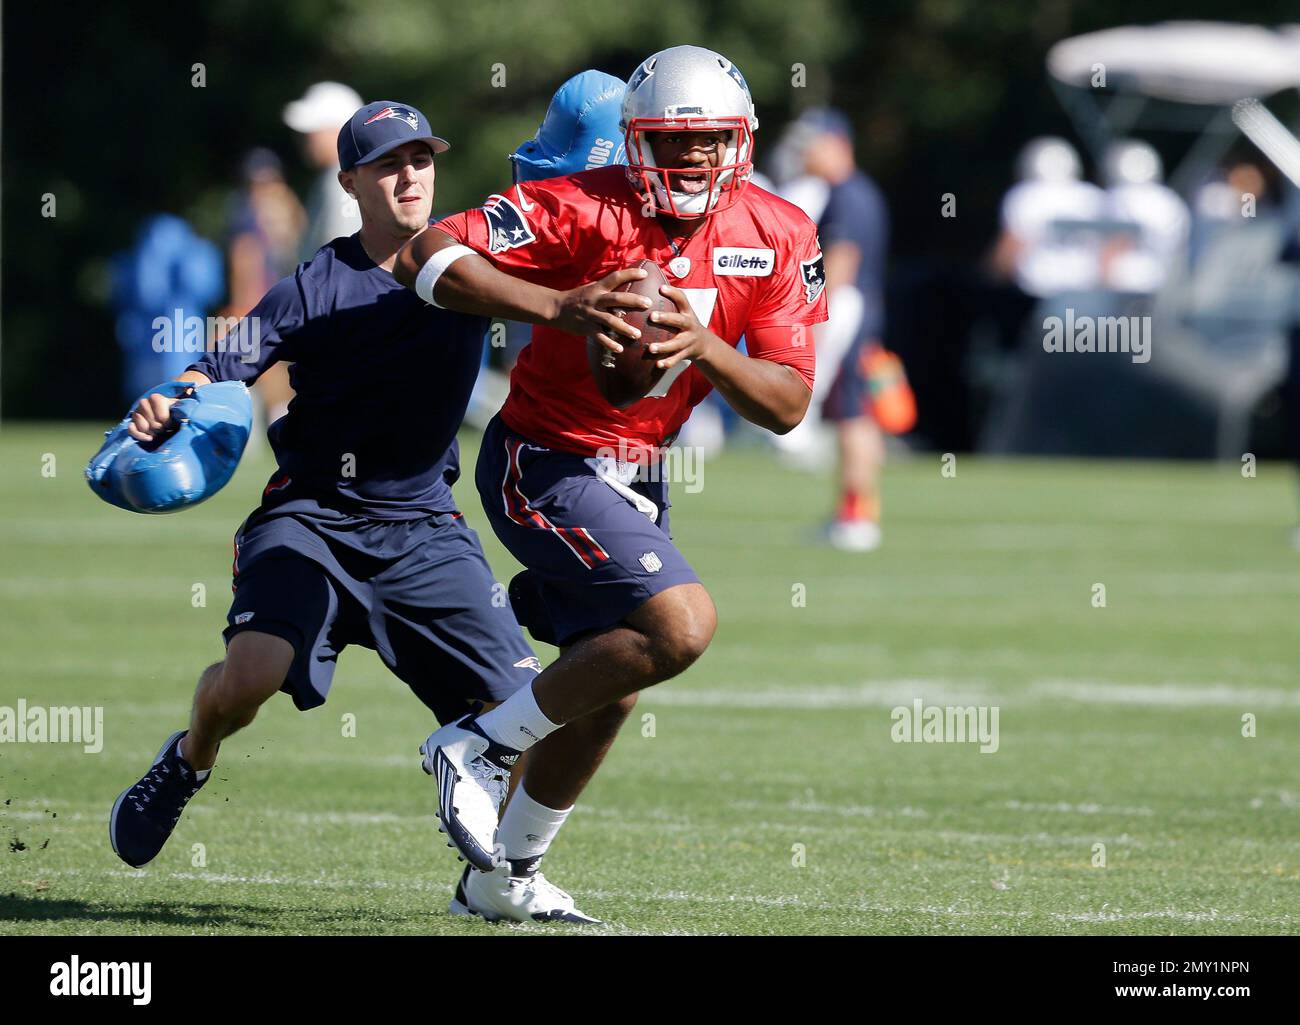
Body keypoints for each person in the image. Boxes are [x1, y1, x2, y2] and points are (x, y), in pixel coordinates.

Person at [106, 103, 624, 928]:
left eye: (422, 159)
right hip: (310, 518)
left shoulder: (469, 261)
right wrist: (165, 404)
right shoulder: (316, 285)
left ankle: (503, 879)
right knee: (247, 683)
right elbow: (223, 365)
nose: (410, 175)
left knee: (532, 709)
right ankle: (188, 758)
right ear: (350, 182)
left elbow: (566, 246)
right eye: (388, 164)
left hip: (423, 529)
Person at [395, 45, 827, 918]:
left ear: (742, 141)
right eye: (674, 141)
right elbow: (426, 258)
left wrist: (707, 345)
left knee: (613, 681)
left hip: (641, 473)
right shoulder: (583, 207)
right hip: (543, 460)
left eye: (711, 141)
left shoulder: (778, 229)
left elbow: (787, 406)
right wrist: (560, 305)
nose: (696, 159)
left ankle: (501, 879)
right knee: (684, 623)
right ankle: (476, 744)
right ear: (635, 142)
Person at [770, 108, 911, 551]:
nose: (804, 153)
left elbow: (840, 267)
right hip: (861, 312)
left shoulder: (848, 194)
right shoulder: (853, 191)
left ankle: (856, 517)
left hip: (848, 313)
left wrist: (812, 325)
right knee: (858, 415)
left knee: (852, 415)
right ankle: (855, 510)